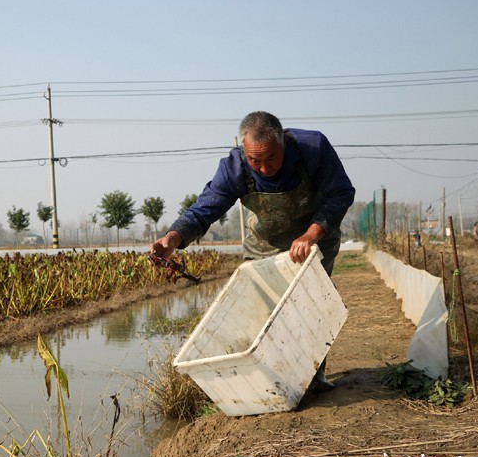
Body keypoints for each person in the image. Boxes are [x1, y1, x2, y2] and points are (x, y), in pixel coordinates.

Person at [151, 111, 355, 392]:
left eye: (271, 157)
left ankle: (312, 376)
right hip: (263, 244)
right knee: (261, 309)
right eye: (254, 160)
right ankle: (268, 379)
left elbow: (341, 193)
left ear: (284, 142)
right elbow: (206, 208)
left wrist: (312, 233)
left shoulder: (313, 149)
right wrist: (173, 238)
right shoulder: (234, 167)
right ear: (244, 151)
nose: (263, 168)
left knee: (309, 306)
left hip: (314, 238)